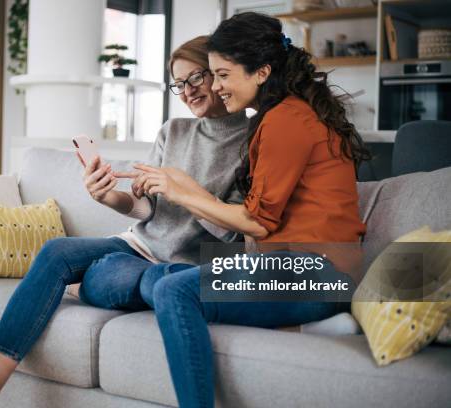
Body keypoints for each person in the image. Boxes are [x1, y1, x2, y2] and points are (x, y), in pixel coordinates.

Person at [0, 36, 250, 408]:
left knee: (113, 276)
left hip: (185, 268)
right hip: (139, 246)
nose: (187, 91)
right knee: (57, 251)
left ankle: (90, 283)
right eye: (178, 84)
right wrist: (107, 195)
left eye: (195, 78)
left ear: (221, 73)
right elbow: (146, 209)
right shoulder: (172, 131)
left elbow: (233, 230)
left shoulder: (253, 141)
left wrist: (184, 192)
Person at [125, 12, 370, 408]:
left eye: (222, 75)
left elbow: (256, 222)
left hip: (317, 274)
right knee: (162, 276)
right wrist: (186, 190)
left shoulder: (285, 121)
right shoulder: (282, 115)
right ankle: (313, 326)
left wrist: (183, 191)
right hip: (296, 268)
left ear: (261, 72)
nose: (216, 86)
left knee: (172, 289)